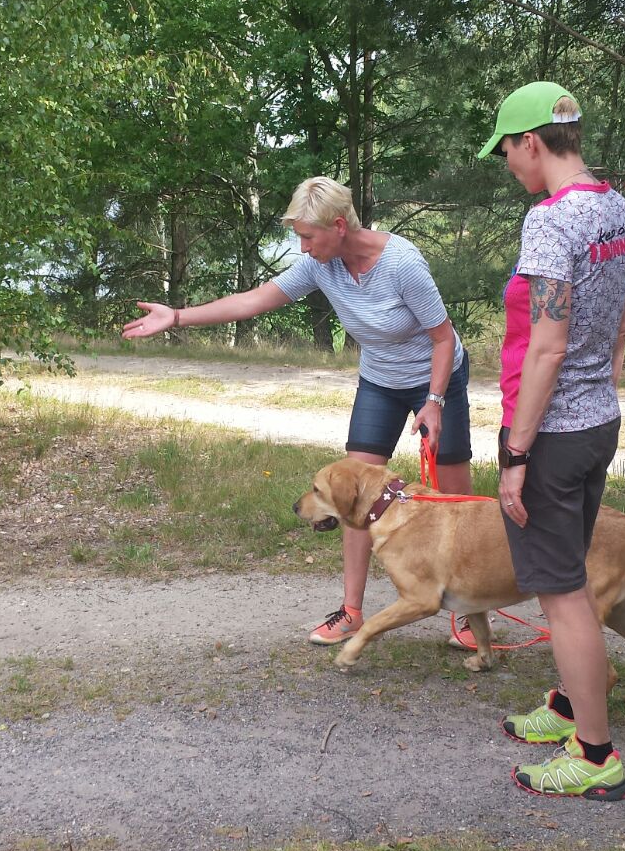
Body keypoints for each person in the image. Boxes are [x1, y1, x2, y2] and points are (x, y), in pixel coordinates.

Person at [122, 176, 473, 643]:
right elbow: (253, 301)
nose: (303, 248)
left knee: (456, 500)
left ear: (340, 225)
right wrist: (178, 316)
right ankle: (352, 611)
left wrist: (433, 403)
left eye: (308, 237)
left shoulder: (402, 265)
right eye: (299, 238)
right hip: (380, 383)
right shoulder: (320, 266)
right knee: (351, 492)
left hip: (437, 378)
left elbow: (442, 337)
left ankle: (470, 616)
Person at [477, 81, 625, 799]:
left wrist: (516, 452)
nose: (509, 163)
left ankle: (597, 757)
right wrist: (600, 385)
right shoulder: (615, 206)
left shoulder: (549, 221)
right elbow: (621, 319)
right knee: (568, 565)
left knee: (562, 593)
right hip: (597, 420)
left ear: (533, 143)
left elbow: (546, 348)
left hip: (553, 433)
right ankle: (573, 705)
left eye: (508, 150)